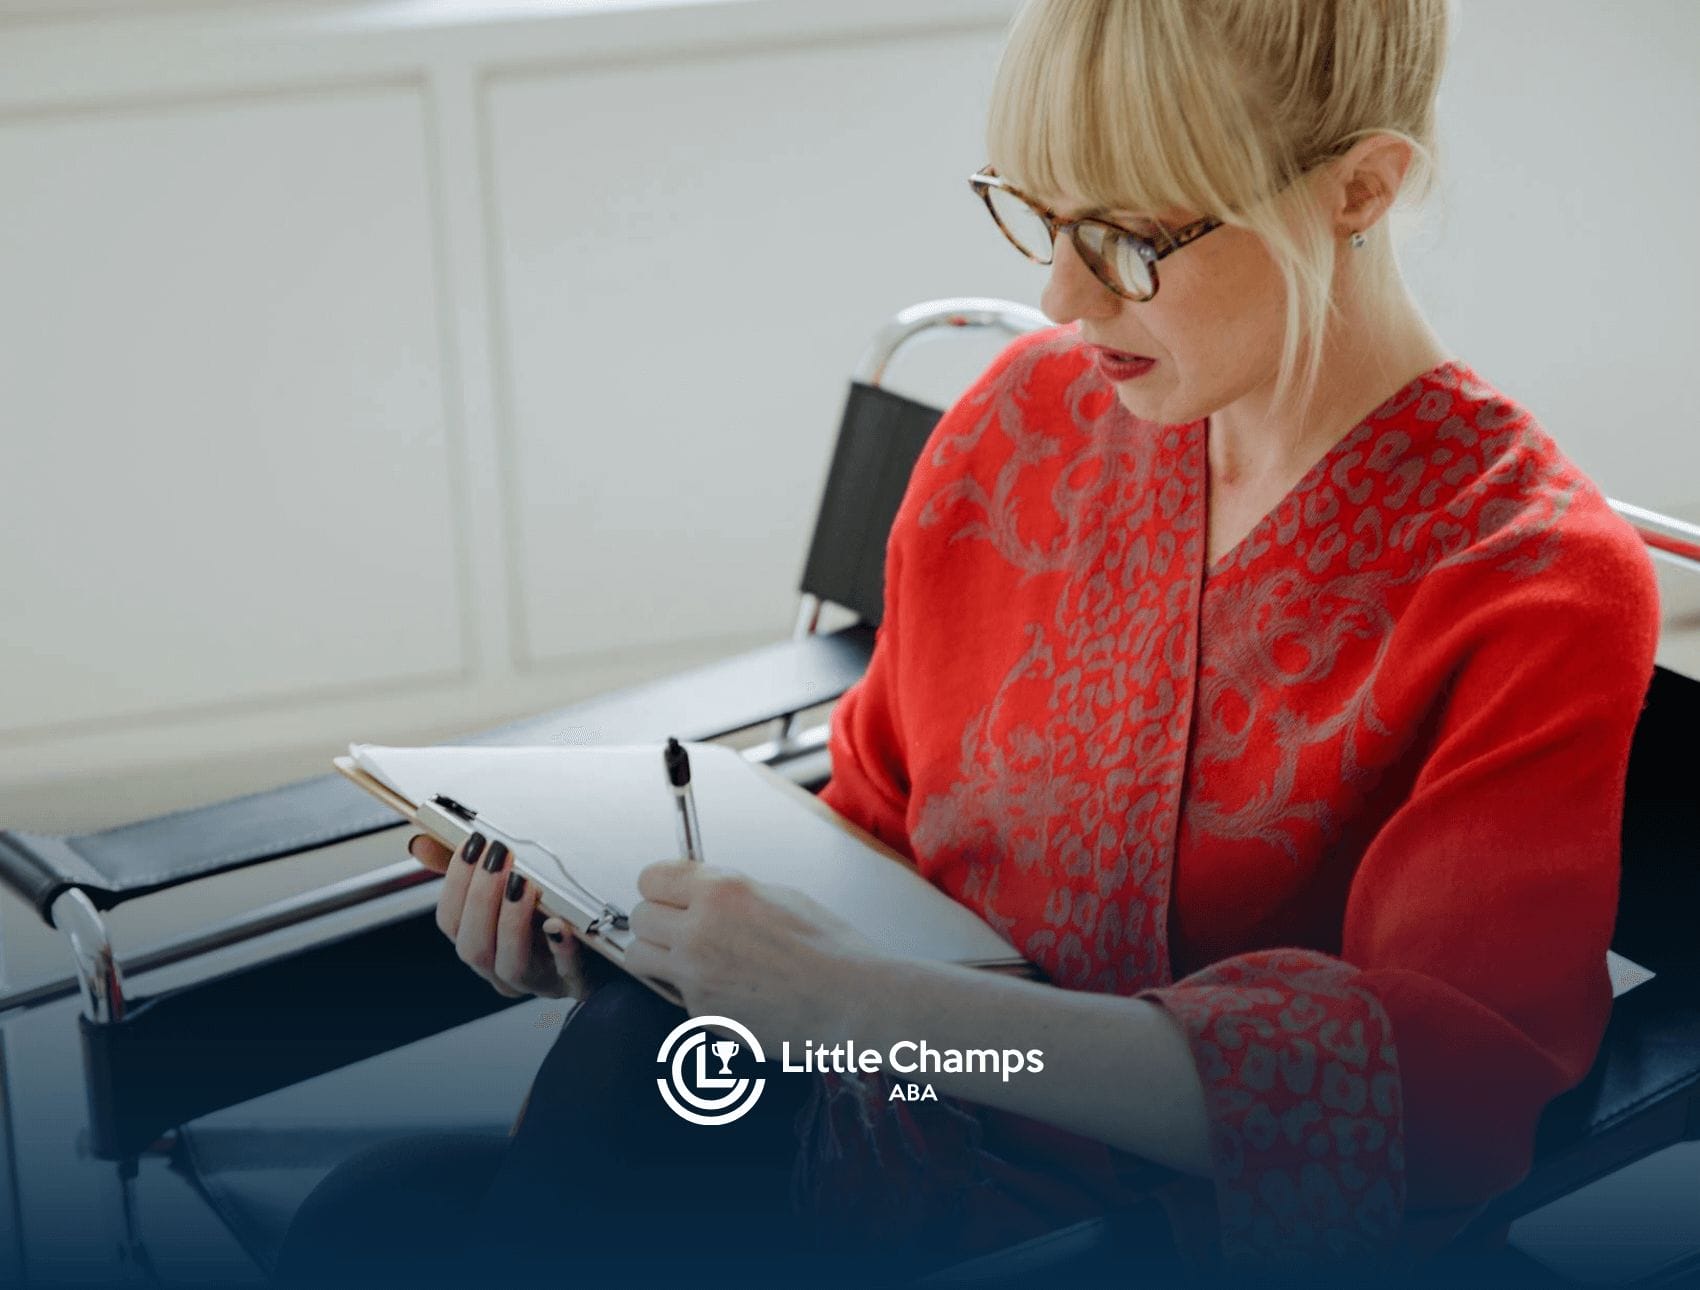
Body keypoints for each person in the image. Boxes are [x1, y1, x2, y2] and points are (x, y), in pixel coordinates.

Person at [279, 0, 1661, 1283]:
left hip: (1120, 1235)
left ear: (1360, 187)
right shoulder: (1017, 430)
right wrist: (637, 936)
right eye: (1039, 217)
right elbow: (872, 836)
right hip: (850, 1143)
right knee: (372, 1211)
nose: (1061, 300)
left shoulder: (1524, 583)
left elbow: (1431, 1103)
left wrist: (861, 1007)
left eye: (1127, 241)